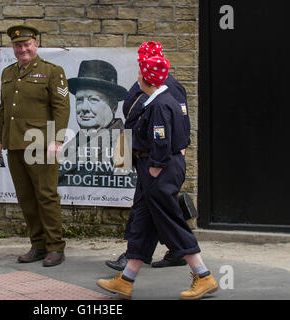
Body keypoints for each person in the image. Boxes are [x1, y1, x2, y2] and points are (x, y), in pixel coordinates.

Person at [96, 42, 218, 300]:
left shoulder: (161, 102)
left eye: (140, 70)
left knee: (169, 219)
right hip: (148, 165)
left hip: (157, 167)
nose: (137, 74)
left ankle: (203, 275)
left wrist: (156, 166)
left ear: (144, 76)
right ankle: (126, 279)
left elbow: (162, 138)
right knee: (143, 221)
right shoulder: (156, 97)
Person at [0, 25, 70, 267]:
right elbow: (4, 110)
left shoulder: (51, 72)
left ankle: (55, 247)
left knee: (46, 196)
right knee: (26, 198)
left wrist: (57, 140)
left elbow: (62, 108)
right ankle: (38, 245)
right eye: (18, 45)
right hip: (14, 144)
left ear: (36, 44)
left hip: (41, 143)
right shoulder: (8, 73)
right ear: (13, 48)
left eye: (27, 44)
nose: (22, 49)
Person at [105, 72, 189, 271]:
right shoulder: (144, 84)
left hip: (154, 157)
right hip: (141, 152)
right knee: (150, 209)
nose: (140, 70)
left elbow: (180, 119)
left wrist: (178, 147)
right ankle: (170, 253)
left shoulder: (169, 87)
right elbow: (133, 119)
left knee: (151, 209)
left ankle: (189, 260)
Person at [59, 60, 130, 187]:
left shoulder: (123, 146)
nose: (84, 108)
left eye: (93, 99)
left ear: (113, 106)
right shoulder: (74, 143)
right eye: (80, 100)